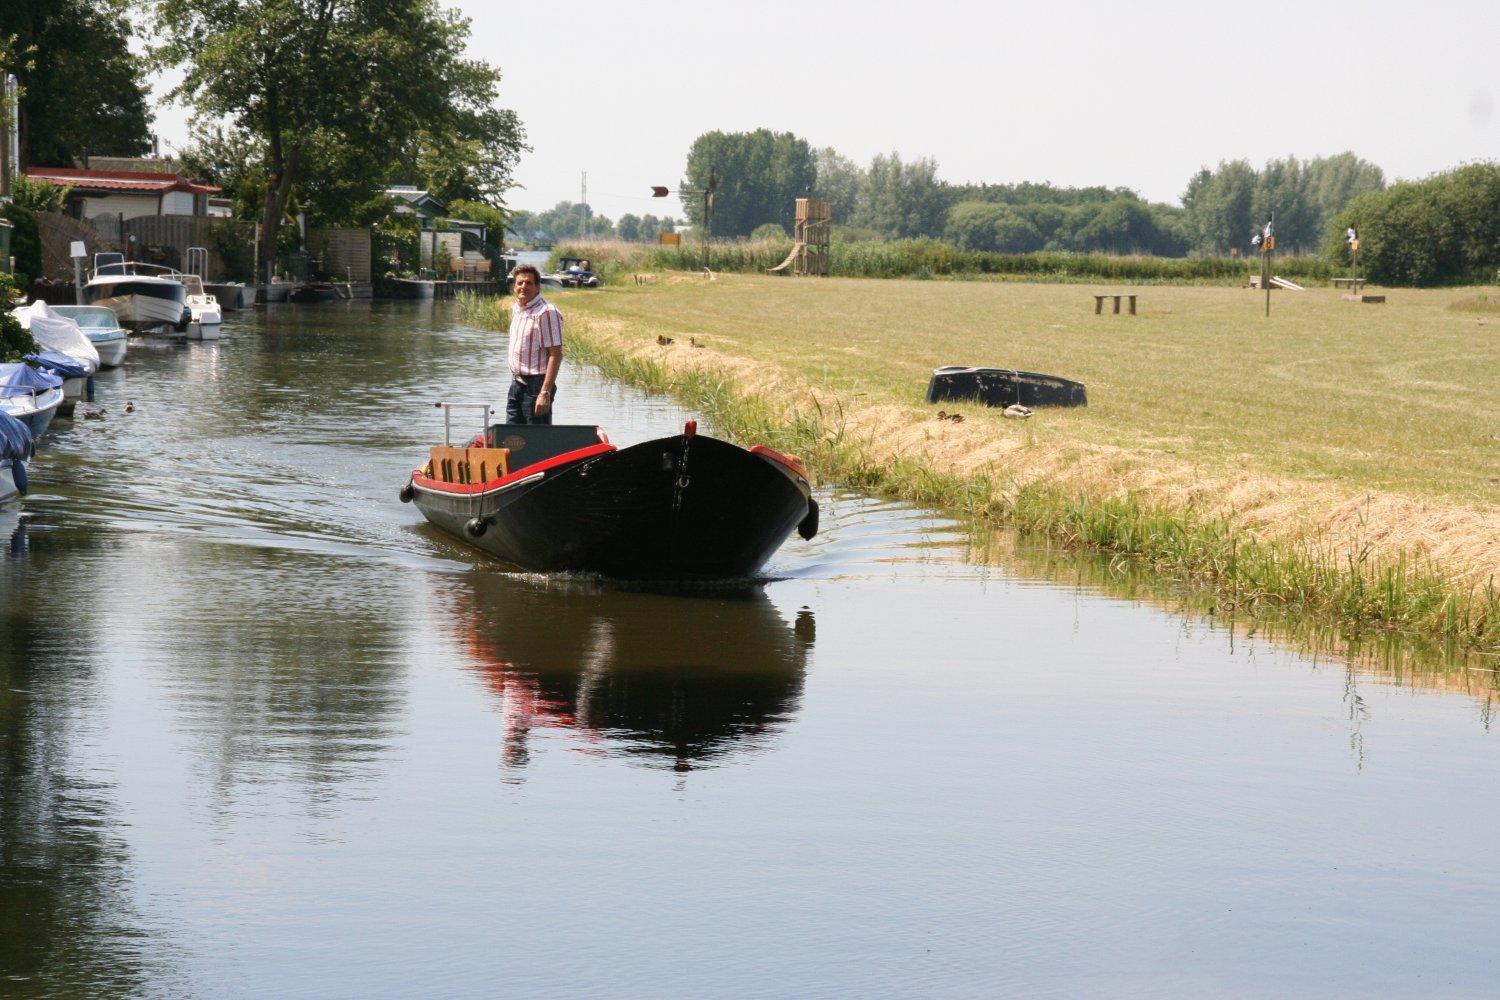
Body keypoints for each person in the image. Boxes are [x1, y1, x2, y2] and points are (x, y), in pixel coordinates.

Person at [506, 265, 562, 424]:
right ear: (514, 286)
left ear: (538, 287)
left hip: (536, 387)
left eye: (529, 283)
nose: (523, 287)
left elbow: (556, 354)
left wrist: (545, 392)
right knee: (511, 436)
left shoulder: (546, 312)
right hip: (516, 384)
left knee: (536, 436)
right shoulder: (517, 309)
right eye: (520, 283)